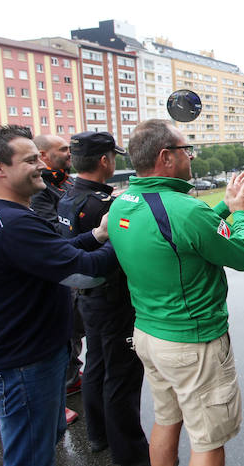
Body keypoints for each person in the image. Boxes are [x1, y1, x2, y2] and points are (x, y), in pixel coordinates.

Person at [0, 125, 117, 466]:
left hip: (26, 361)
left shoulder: (3, 214)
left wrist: (98, 235)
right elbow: (83, 273)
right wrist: (125, 239)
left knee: (41, 444)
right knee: (30, 456)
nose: (42, 165)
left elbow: (54, 254)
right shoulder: (10, 223)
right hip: (22, 367)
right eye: (30, 160)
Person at [108, 119, 244, 466]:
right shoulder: (185, 210)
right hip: (192, 344)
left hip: (148, 335)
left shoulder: (122, 204)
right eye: (186, 150)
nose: (190, 157)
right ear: (166, 157)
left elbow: (187, 233)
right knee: (207, 439)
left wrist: (222, 208)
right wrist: (241, 215)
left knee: (167, 419)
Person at [57, 132, 149, 466]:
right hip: (111, 299)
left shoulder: (68, 196)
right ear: (105, 161)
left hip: (87, 297)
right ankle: (131, 453)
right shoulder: (102, 205)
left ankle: (98, 435)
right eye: (113, 156)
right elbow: (120, 251)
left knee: (95, 365)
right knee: (121, 377)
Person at [29, 133, 84, 417]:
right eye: (63, 149)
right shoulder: (41, 188)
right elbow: (53, 228)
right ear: (43, 155)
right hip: (62, 269)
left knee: (73, 329)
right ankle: (60, 390)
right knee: (65, 329)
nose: (69, 154)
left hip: (73, 261)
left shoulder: (65, 180)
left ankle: (72, 378)